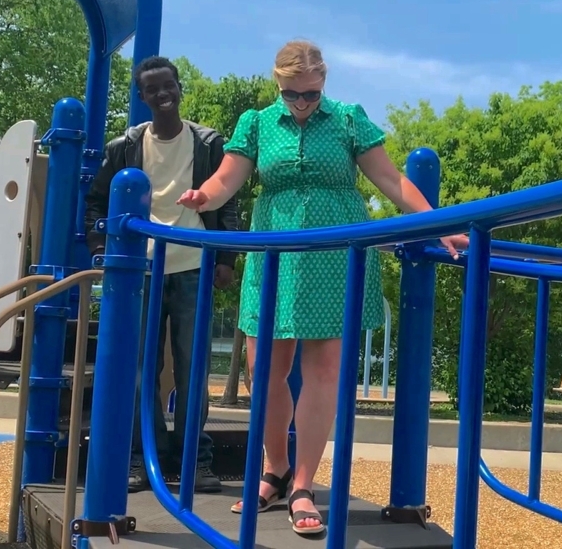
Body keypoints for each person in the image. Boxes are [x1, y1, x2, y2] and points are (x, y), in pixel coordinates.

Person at [177, 40, 468, 536]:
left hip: (336, 253)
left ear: (324, 83)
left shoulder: (349, 119)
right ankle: (275, 467)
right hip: (276, 252)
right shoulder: (258, 122)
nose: (302, 105)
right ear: (278, 86)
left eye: (310, 94)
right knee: (264, 368)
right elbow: (229, 178)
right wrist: (203, 195)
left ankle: (304, 484)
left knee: (325, 368)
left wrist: (441, 225)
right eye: (292, 95)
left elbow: (391, 179)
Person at [85, 55, 239, 494]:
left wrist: (226, 259)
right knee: (139, 369)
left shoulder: (208, 143)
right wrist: (102, 246)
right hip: (143, 271)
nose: (162, 94)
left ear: (178, 87)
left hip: (193, 265)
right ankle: (139, 456)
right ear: (142, 97)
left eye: (167, 85)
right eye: (152, 89)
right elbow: (96, 201)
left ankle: (196, 461)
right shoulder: (127, 147)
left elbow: (226, 199)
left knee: (193, 368)